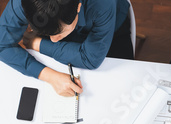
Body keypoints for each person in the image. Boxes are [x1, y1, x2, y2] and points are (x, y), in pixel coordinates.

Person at [0, 0, 133, 97]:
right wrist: (52, 77)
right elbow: (1, 45)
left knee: (122, 89)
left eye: (59, 34)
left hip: (111, 31)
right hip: (56, 26)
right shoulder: (24, 2)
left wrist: (34, 42)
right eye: (50, 36)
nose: (53, 40)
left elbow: (90, 59)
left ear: (78, 7)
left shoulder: (103, 3)